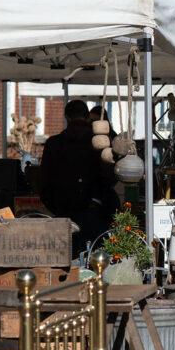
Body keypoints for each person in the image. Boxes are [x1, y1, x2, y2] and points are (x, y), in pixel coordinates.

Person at [41, 100, 119, 255]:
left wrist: (57, 207)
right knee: (96, 261)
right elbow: (111, 176)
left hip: (64, 211)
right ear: (87, 116)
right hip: (95, 210)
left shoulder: (54, 144)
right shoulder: (100, 143)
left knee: (65, 260)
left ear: (67, 117)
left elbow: (43, 182)